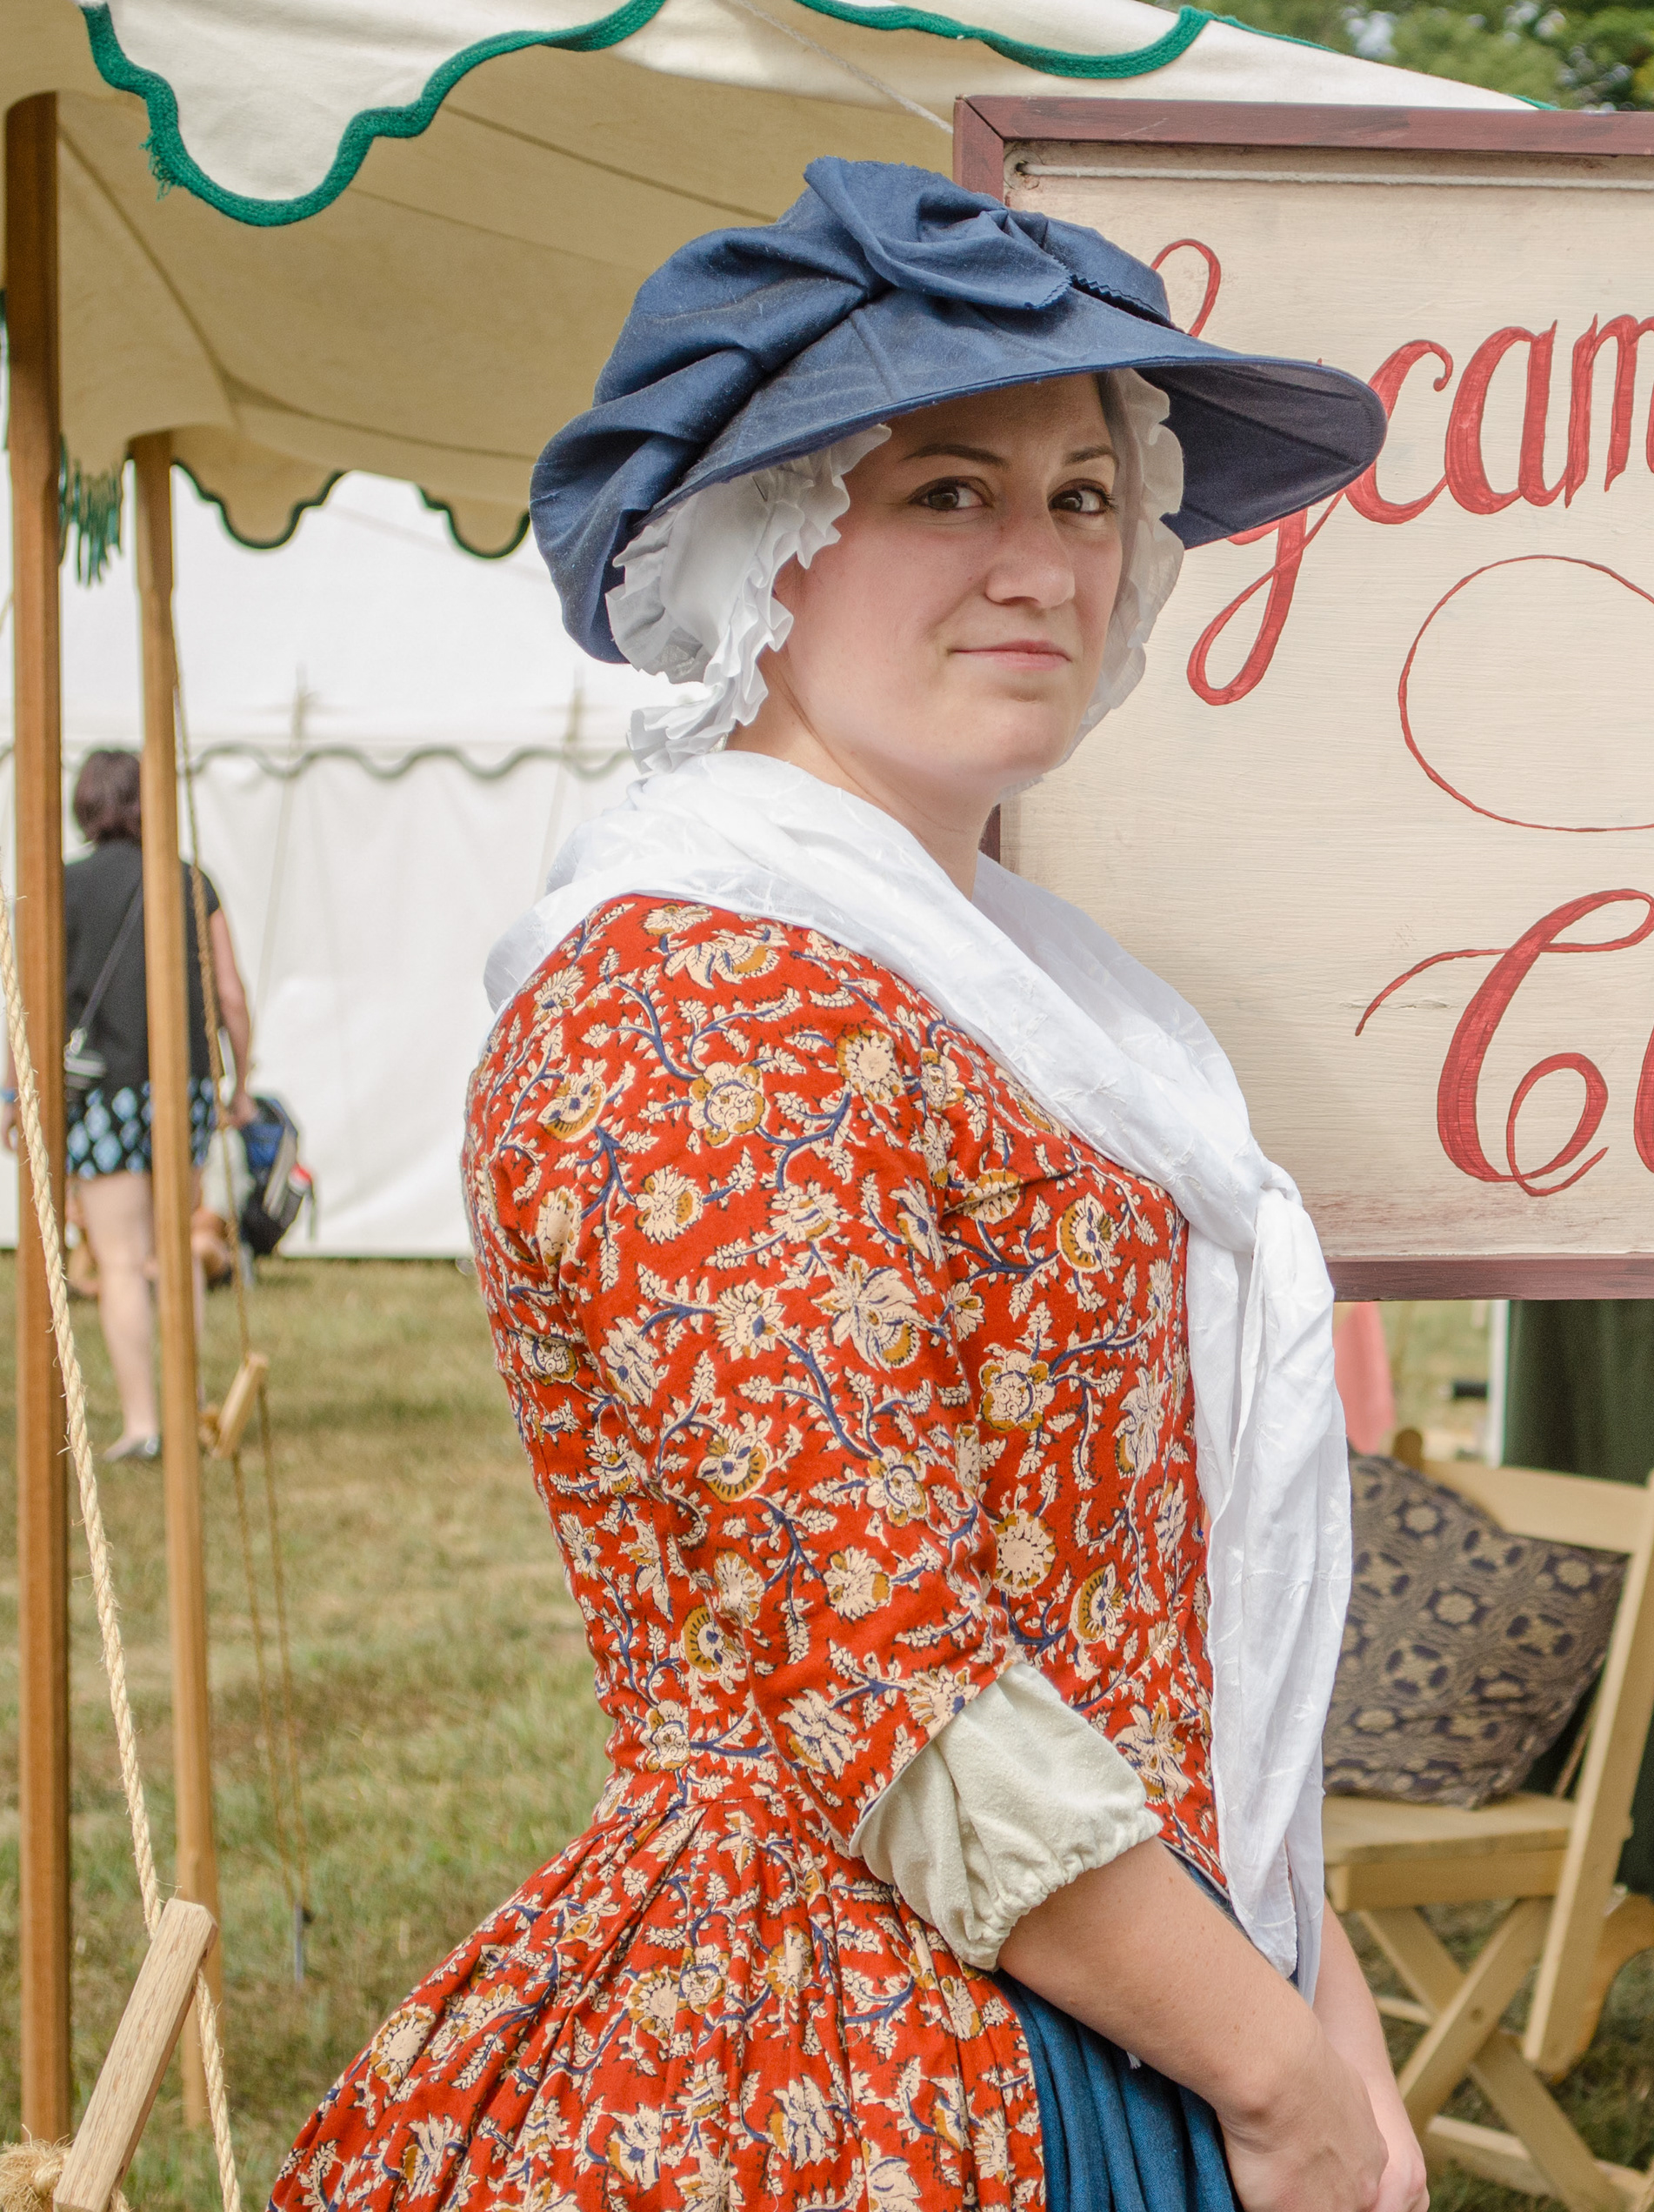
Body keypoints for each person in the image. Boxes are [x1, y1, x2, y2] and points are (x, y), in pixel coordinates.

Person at [270, 163, 1417, 2212]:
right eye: (949, 490)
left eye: (1086, 495)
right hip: (849, 2044)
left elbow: (1165, 1628)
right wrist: (1276, 2077)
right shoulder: (696, 993)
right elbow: (889, 1672)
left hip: (1133, 1975)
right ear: (761, 546)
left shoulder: (1017, 991)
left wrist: (1323, 2016)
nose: (1045, 564)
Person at [50, 747, 253, 1462]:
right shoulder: (191, 878)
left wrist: (16, 1095)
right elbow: (229, 993)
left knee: (119, 1258)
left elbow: (31, 998)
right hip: (183, 1085)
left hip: (102, 1090)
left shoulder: (63, 885)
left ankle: (143, 1424)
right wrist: (241, 1082)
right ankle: (186, 1403)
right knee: (173, 1247)